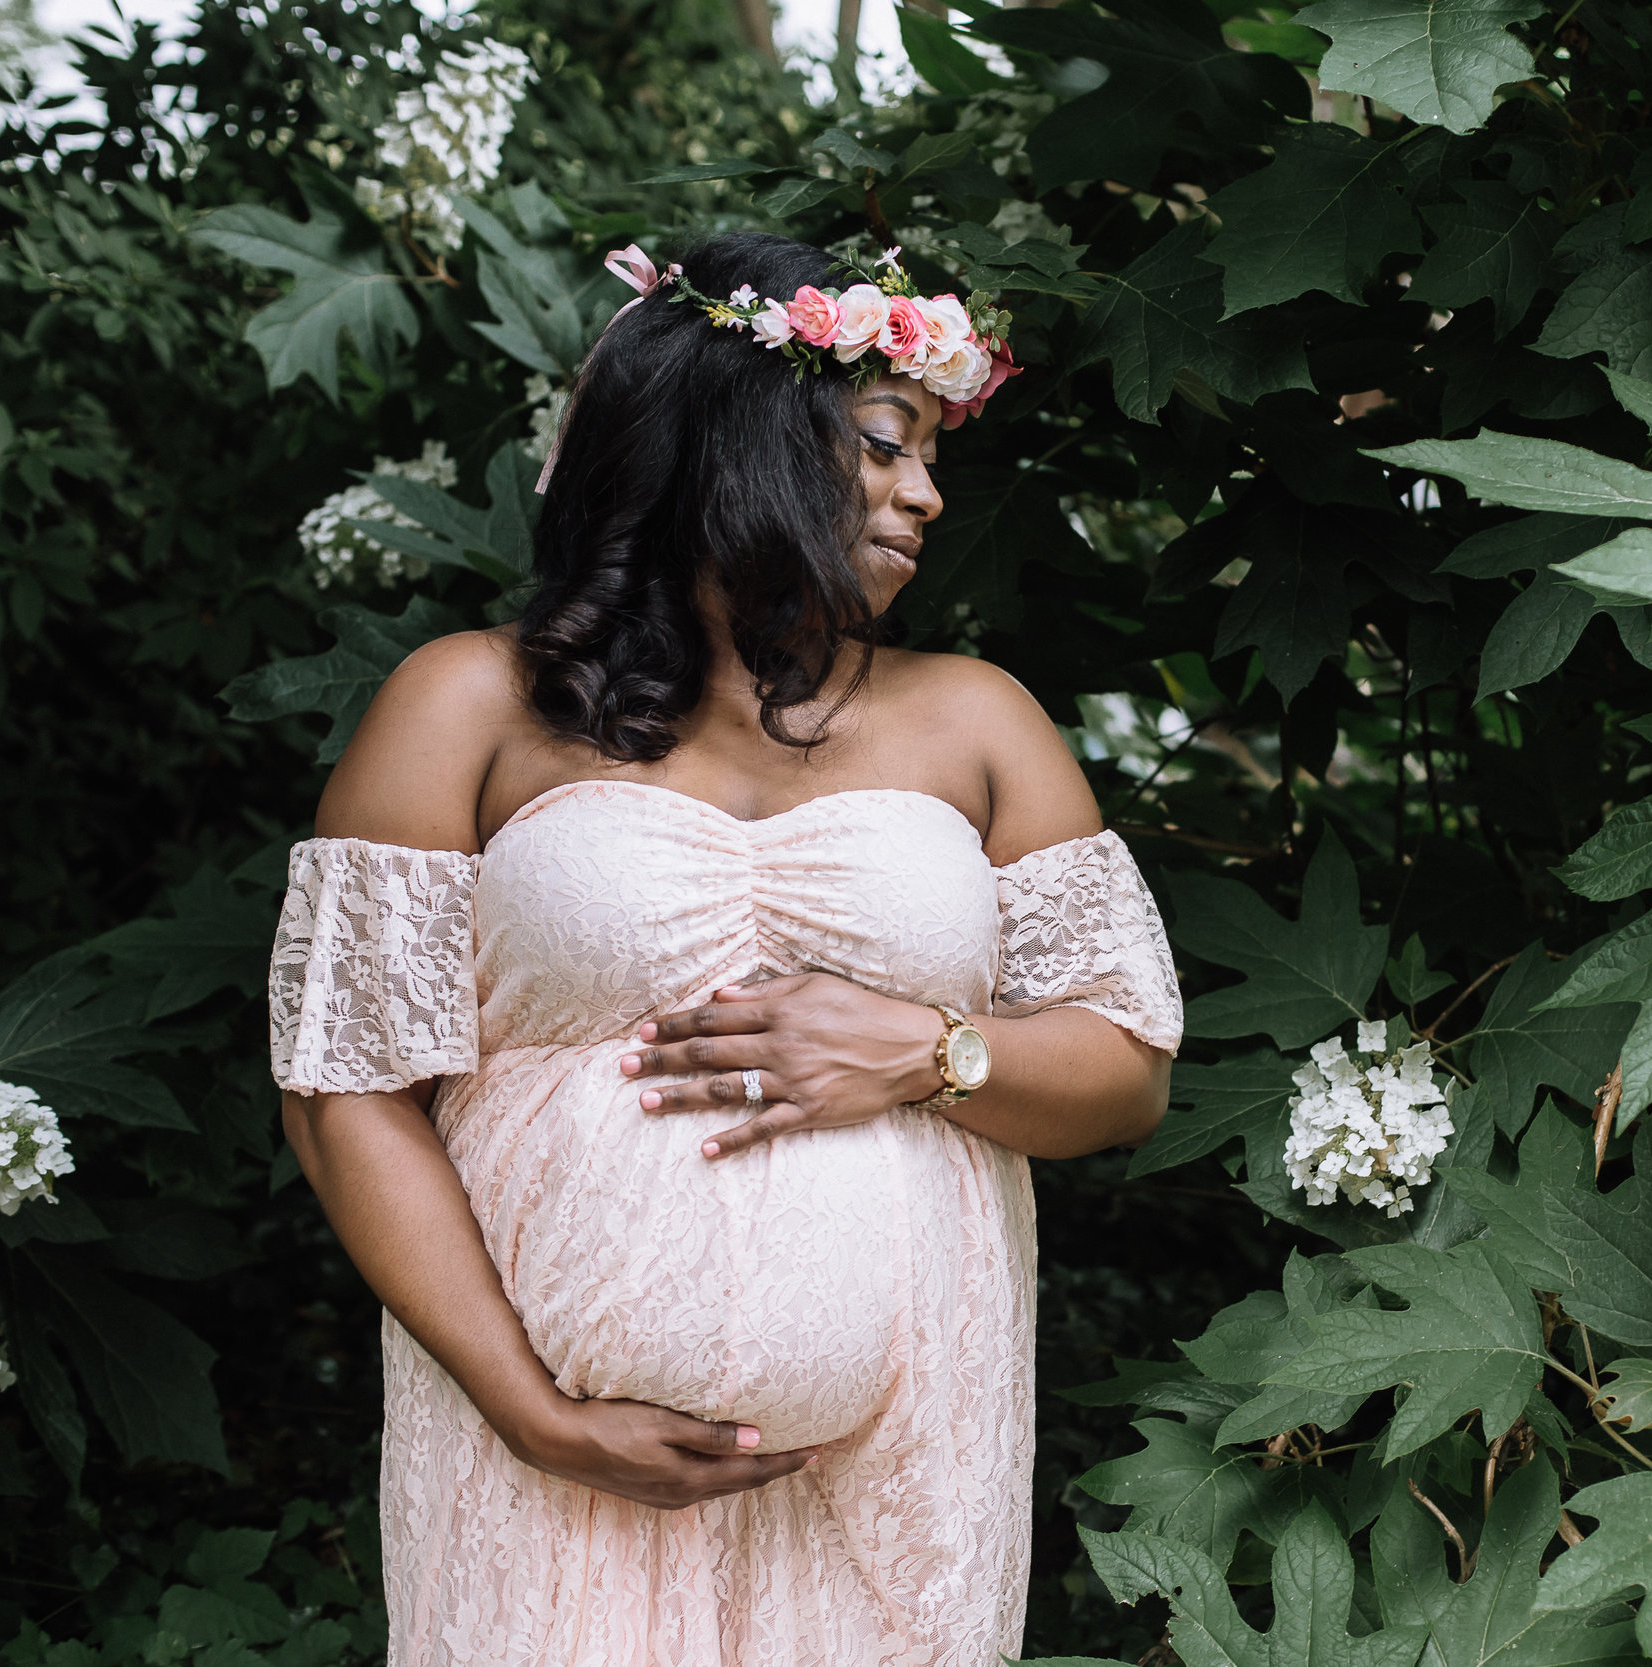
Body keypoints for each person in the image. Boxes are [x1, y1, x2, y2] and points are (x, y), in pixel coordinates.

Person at [265, 231, 1181, 1666]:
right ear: (739, 435)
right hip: (539, 1468)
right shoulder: (465, 708)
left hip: (892, 1480)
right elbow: (346, 1088)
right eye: (888, 444)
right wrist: (531, 1408)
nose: (928, 494)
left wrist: (931, 1052)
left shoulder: (981, 719)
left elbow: (1126, 1066)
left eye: (935, 454)